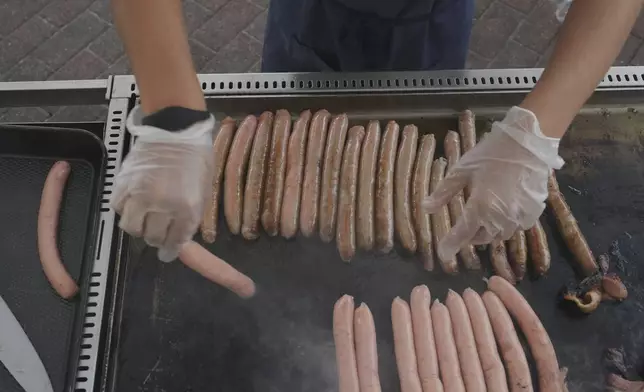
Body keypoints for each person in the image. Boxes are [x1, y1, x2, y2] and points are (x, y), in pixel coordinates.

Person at [110, 0, 643, 262]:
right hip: (311, 13)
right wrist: (171, 109)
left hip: (429, 16)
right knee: (290, 114)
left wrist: (538, 128)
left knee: (420, 116)